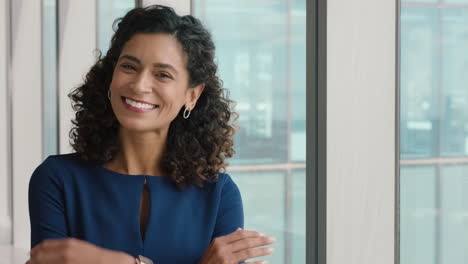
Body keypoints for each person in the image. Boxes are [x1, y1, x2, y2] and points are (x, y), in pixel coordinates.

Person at [26, 5, 275, 264]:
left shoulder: (219, 194)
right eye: (129, 67)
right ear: (111, 76)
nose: (140, 84)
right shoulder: (57, 180)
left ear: (192, 95)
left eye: (162, 74)